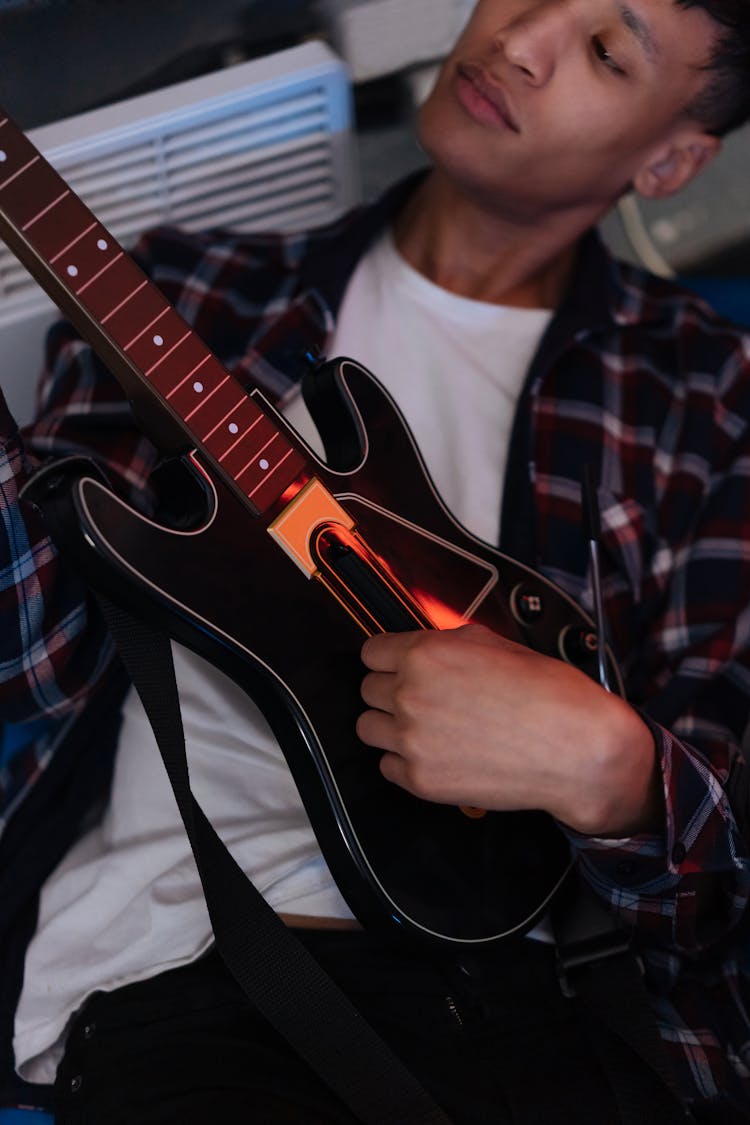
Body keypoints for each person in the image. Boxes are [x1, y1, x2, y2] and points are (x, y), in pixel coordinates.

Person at [2, 0, 750, 1121]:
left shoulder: (708, 396)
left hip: (548, 1004)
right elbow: (34, 663)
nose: (521, 40)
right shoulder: (189, 291)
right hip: (190, 975)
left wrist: (616, 773)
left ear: (671, 158)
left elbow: (722, 881)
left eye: (604, 50)